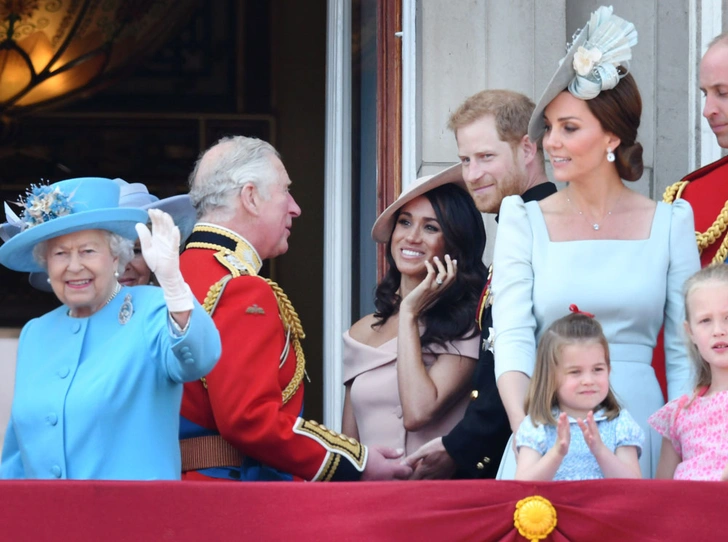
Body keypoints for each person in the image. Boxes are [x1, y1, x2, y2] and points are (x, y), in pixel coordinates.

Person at [491, 5, 699, 478]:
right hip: (546, 432)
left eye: (569, 128)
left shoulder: (671, 222)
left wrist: (675, 453)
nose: (551, 143)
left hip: (643, 435)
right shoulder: (523, 219)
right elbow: (514, 340)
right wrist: (532, 439)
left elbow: (686, 357)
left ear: (610, 135)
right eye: (550, 128)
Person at [179, 135, 412, 481]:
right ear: (251, 197)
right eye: (285, 190)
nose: (295, 207)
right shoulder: (240, 289)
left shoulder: (174, 276)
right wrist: (355, 462)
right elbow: (249, 420)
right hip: (227, 496)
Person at [0, 177, 221, 480]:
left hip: (132, 521)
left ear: (116, 256)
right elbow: (17, 453)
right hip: (48, 523)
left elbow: (199, 358)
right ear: (46, 265)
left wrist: (174, 285)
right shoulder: (36, 333)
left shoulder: (152, 310)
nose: (74, 266)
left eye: (88, 251)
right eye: (60, 253)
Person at [405, 92, 556, 479]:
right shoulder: (518, 222)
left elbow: (532, 357)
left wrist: (463, 446)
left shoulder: (552, 227)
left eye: (486, 157)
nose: (471, 175)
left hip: (542, 451)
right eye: (465, 160)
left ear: (527, 149)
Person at [342, 167, 484, 457]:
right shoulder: (361, 332)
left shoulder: (468, 325)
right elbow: (349, 447)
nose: (412, 237)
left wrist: (409, 313)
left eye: (431, 228)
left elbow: (418, 412)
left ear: (455, 245)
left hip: (432, 496)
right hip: (369, 497)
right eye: (405, 223)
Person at [515, 308, 643, 481]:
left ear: (609, 370)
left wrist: (600, 450)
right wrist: (557, 453)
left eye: (597, 369)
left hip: (606, 508)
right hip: (554, 508)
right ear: (550, 377)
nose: (588, 380)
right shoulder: (538, 426)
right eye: (575, 372)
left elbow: (634, 485)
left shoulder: (620, 424)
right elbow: (522, 486)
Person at [649, 265, 728, 481]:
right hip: (690, 513)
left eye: (727, 317)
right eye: (705, 321)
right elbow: (661, 496)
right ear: (690, 332)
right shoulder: (679, 413)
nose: (718, 330)